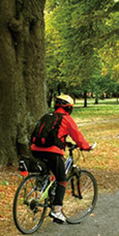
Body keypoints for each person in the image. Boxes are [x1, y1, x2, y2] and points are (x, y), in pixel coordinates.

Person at [30, 94, 92, 224]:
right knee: (62, 179)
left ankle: (41, 186)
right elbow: (77, 136)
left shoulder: (47, 116)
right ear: (69, 108)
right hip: (52, 152)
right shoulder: (67, 119)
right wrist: (86, 147)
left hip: (35, 149)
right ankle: (57, 211)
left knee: (48, 172)